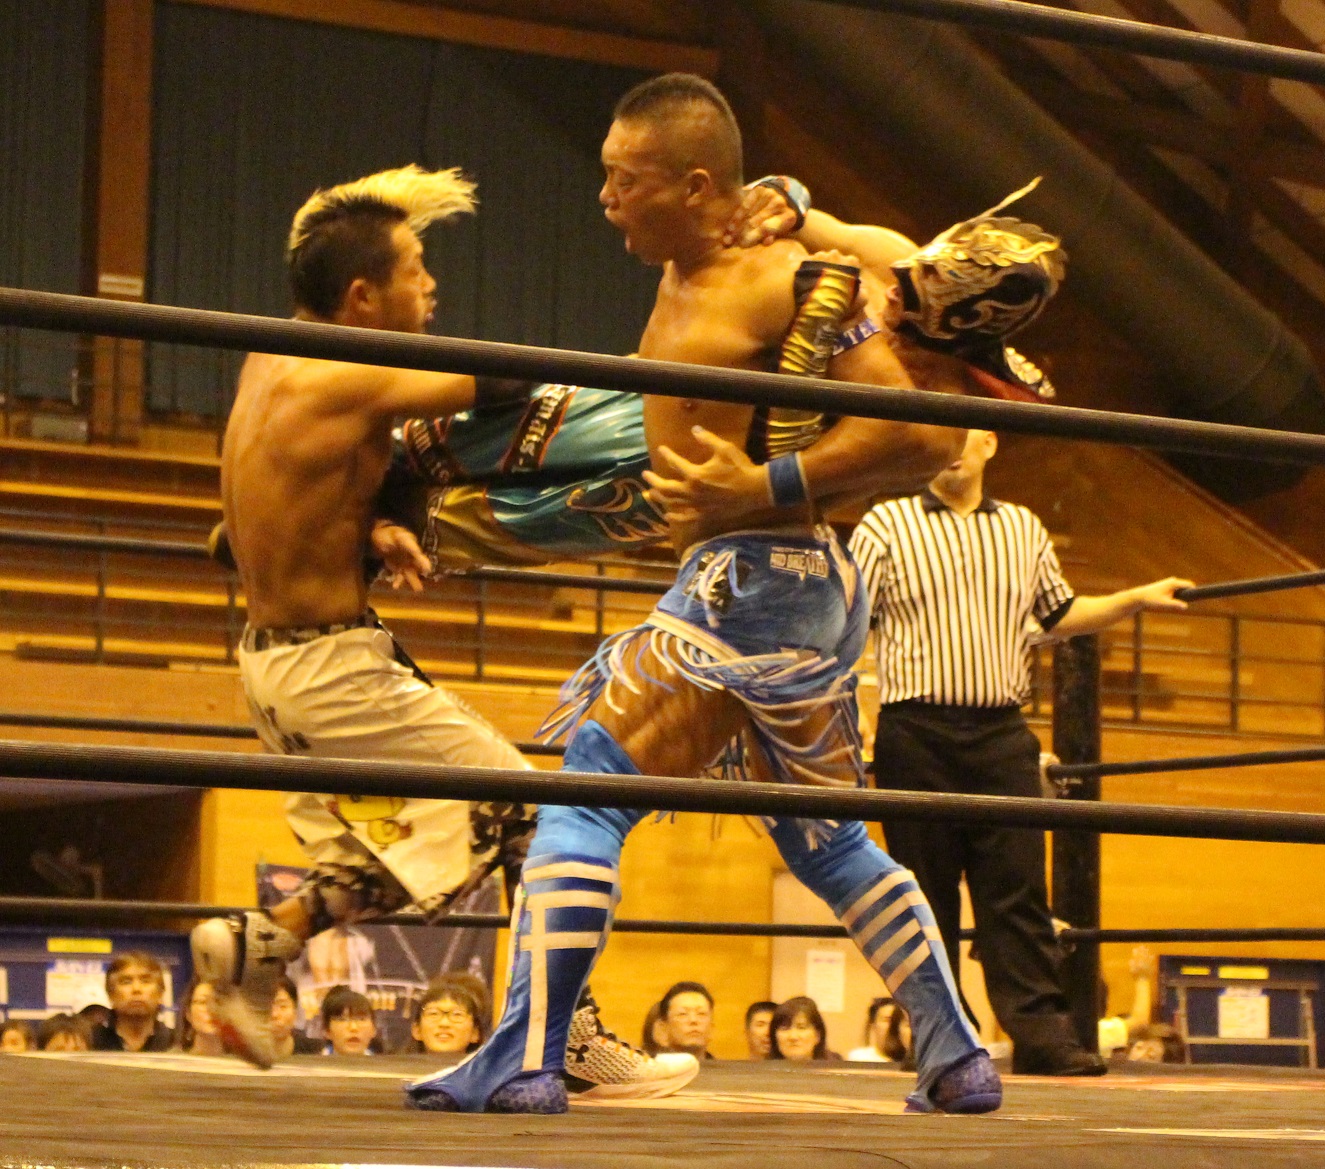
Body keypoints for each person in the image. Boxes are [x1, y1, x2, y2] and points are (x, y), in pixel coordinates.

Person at [405, 72, 996, 1117]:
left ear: (691, 185)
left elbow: (919, 433)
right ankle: (957, 1060)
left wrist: (761, 484)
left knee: (588, 786)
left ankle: (527, 1057)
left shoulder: (779, 276)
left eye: (623, 180)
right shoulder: (687, 269)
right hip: (774, 582)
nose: (603, 199)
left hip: (758, 579)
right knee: (828, 840)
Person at [187, 164, 696, 1101]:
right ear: (361, 296)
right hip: (329, 666)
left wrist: (372, 524)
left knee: (415, 847)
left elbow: (256, 522)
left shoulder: (271, 361)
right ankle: (569, 1038)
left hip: (285, 663)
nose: (432, 288)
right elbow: (502, 378)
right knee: (535, 814)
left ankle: (260, 942)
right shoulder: (345, 372)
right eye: (416, 271)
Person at [848, 428, 1193, 1076]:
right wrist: (853, 711)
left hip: (1001, 732)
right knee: (923, 891)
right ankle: (938, 1036)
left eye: (965, 430)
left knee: (1018, 889)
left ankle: (1041, 1037)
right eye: (940, 431)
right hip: (914, 730)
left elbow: (1059, 614)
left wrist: (1134, 598)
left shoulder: (1023, 527)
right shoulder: (883, 524)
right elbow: (847, 623)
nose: (953, 445)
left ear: (990, 443)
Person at [89, 952, 173, 1053]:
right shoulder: (89, 1042)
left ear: (160, 994)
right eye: (126, 982)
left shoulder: (177, 1043)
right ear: (111, 995)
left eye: (145, 981)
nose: (136, 989)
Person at [406, 975, 486, 1055]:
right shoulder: (399, 1063)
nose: (444, 1023)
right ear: (417, 1030)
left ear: (475, 1033)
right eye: (434, 1014)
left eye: (457, 1015)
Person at [768, 996, 840, 1062]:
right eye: (785, 1028)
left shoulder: (837, 1068)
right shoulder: (763, 1069)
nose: (793, 1036)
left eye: (801, 1028)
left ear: (817, 1036)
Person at [656, 982, 715, 1059]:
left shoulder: (725, 1067)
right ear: (663, 1029)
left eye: (701, 1014)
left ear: (711, 1028)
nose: (693, 1020)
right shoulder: (649, 1066)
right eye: (683, 1014)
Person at [270, 975, 321, 1058]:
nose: (274, 1014)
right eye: (266, 1007)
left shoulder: (316, 1052)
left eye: (282, 1006)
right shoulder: (248, 1054)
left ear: (295, 1011)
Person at [846, 996, 907, 1063]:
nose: (893, 1025)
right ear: (873, 1024)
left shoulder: (910, 1058)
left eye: (897, 1020)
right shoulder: (859, 1058)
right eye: (887, 1020)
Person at [320, 985, 378, 1055]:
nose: (353, 1027)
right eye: (342, 1020)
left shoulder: (385, 1062)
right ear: (326, 1030)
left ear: (374, 1029)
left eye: (361, 1019)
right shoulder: (312, 1062)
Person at [174, 977, 225, 1057]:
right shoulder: (173, 1060)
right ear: (188, 1014)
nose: (211, 1009)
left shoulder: (240, 1063)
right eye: (202, 1002)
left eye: (218, 1002)